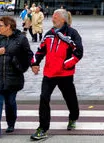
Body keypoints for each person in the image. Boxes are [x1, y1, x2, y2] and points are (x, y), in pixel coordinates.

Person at [30, 9, 83, 141]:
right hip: (49, 73)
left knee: (70, 97)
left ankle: (73, 117)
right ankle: (42, 128)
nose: (53, 19)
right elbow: (40, 50)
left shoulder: (72, 33)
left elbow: (79, 52)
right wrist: (35, 63)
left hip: (65, 74)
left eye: (55, 17)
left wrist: (66, 64)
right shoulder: (49, 34)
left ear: (63, 19)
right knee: (44, 97)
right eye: (53, 17)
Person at [0, 16, 33, 136]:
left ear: (8, 26)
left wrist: (22, 68)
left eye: (1, 26)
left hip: (13, 77)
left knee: (10, 102)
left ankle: (11, 123)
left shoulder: (21, 39)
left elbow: (29, 55)